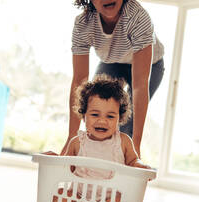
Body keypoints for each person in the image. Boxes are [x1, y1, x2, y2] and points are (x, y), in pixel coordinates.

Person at [43, 74, 151, 202]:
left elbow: (133, 160)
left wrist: (141, 166)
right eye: (95, 114)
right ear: (84, 115)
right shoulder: (77, 142)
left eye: (110, 116)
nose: (102, 121)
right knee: (61, 194)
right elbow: (64, 167)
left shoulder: (123, 142)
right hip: (79, 198)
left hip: (107, 199)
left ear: (119, 118)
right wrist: (54, 159)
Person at [61, 0, 165, 157]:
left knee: (125, 123)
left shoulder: (137, 17)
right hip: (111, 62)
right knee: (95, 106)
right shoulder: (83, 24)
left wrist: (136, 144)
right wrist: (71, 137)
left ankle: (122, 164)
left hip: (151, 64)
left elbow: (139, 86)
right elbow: (79, 81)